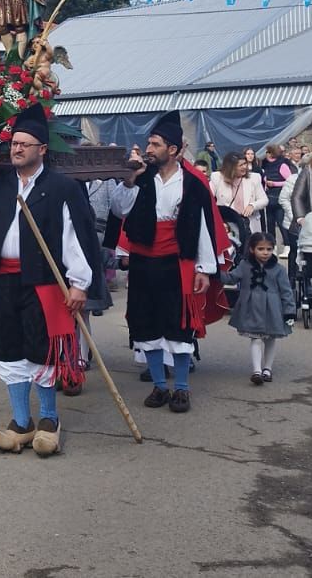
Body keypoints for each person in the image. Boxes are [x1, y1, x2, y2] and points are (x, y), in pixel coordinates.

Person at [0, 103, 99, 455]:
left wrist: (80, 283)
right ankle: (21, 421)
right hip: (2, 281)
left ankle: (49, 418)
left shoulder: (61, 187)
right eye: (14, 143)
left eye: (25, 144)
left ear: (42, 150)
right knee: (9, 350)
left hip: (43, 283)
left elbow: (75, 237)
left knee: (42, 353)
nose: (16, 148)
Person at [109, 114, 223, 414]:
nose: (149, 147)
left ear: (172, 150)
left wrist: (204, 269)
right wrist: (130, 178)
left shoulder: (193, 184)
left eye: (155, 144)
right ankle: (160, 386)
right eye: (149, 142)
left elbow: (201, 227)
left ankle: (181, 389)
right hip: (145, 261)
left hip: (177, 261)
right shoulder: (141, 177)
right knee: (147, 322)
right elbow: (120, 209)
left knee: (178, 324)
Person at [229, 234, 293, 385]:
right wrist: (215, 272)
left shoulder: (279, 269)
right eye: (261, 249)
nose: (265, 252)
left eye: (269, 249)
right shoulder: (244, 265)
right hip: (251, 307)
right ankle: (257, 371)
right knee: (256, 338)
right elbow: (231, 278)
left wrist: (289, 310)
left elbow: (286, 291)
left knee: (271, 339)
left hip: (273, 309)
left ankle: (267, 369)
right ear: (252, 249)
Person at [211, 151, 265, 236]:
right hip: (228, 223)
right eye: (241, 165)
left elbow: (264, 200)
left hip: (249, 223)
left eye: (245, 164)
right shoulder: (217, 177)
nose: (244, 167)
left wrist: (253, 205)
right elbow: (208, 197)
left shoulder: (254, 177)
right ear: (231, 167)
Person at [260, 144, 294, 245]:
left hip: (279, 197)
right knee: (270, 223)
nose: (267, 154)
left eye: (269, 152)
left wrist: (275, 183)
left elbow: (290, 180)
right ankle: (272, 244)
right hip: (269, 197)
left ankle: (287, 244)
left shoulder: (282, 165)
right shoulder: (265, 165)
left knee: (280, 222)